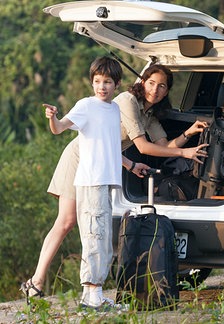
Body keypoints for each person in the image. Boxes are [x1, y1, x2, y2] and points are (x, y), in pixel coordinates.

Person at [21, 63, 208, 303]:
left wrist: (189, 134)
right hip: (81, 157)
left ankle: (58, 287)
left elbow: (162, 148)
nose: (156, 89)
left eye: (162, 86)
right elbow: (142, 146)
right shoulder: (127, 101)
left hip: (106, 160)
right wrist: (186, 154)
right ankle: (39, 282)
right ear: (141, 82)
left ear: (167, 90)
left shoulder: (149, 114)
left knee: (80, 224)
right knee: (67, 221)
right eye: (151, 83)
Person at [42, 56, 124, 309]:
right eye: (97, 81)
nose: (102, 86)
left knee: (102, 236)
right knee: (94, 235)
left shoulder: (115, 109)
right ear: (92, 83)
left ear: (117, 84)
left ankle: (94, 294)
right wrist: (52, 117)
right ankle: (91, 295)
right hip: (91, 181)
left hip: (106, 181)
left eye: (108, 82)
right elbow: (59, 128)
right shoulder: (86, 105)